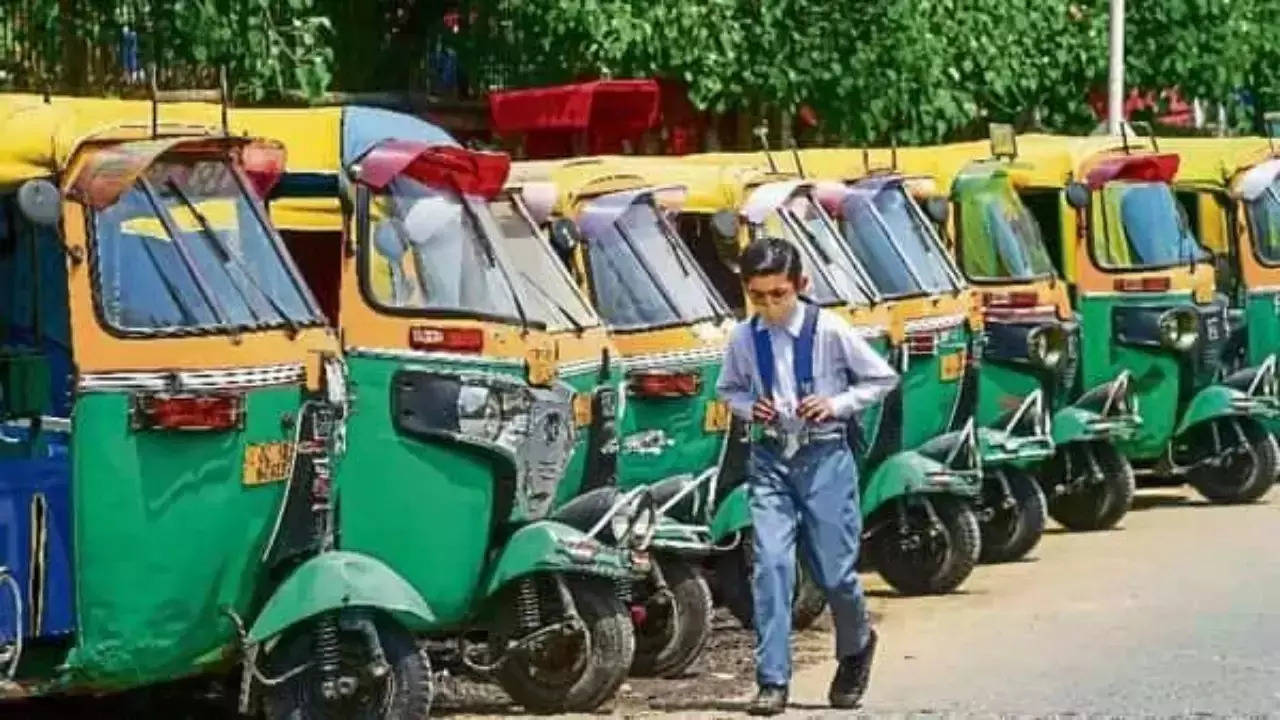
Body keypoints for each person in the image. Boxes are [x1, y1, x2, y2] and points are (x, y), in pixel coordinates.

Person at [716, 237, 898, 715]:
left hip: (824, 458)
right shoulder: (742, 338)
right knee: (771, 565)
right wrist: (744, 407)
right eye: (759, 296)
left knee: (835, 574)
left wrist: (835, 404)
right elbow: (728, 390)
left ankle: (857, 645)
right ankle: (772, 681)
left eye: (780, 294)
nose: (771, 306)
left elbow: (881, 378)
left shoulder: (830, 331)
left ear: (801, 285)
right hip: (770, 459)